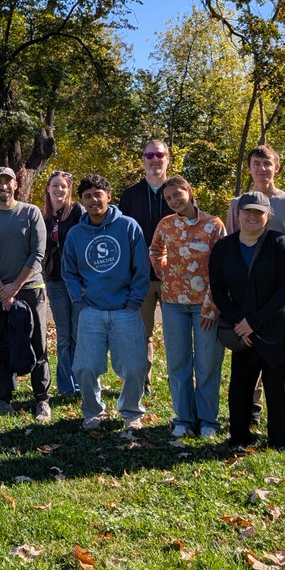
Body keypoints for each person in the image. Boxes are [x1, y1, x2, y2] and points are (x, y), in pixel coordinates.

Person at [209, 191, 285, 451]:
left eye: (259, 212)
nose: (252, 216)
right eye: (248, 211)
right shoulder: (224, 248)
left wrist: (253, 322)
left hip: (282, 323)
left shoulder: (281, 243)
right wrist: (239, 324)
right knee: (240, 383)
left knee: (278, 382)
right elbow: (219, 291)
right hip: (243, 325)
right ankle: (239, 437)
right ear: (238, 214)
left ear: (268, 216)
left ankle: (278, 439)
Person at [226, 144, 285, 432]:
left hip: (283, 293)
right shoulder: (238, 203)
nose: (262, 169)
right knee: (251, 349)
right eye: (256, 164)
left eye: (267, 164)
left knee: (284, 352)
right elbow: (232, 246)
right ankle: (253, 407)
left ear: (277, 167)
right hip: (249, 293)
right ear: (249, 168)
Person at [61, 174, 150, 432]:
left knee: (135, 367)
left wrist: (133, 302)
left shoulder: (128, 226)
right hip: (91, 311)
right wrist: (79, 300)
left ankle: (131, 412)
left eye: (98, 194)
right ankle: (93, 411)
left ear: (108, 197)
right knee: (85, 367)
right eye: (87, 196)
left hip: (125, 310)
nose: (93, 200)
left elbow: (141, 268)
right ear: (81, 201)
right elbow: (69, 271)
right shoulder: (76, 234)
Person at [149, 176, 226, 438]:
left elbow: (222, 266)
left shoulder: (213, 224)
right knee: (178, 363)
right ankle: (183, 418)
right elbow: (155, 250)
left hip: (205, 306)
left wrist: (212, 304)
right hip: (173, 304)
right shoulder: (166, 224)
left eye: (177, 194)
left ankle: (208, 421)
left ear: (189, 192)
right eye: (168, 198)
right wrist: (162, 270)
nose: (173, 201)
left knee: (207, 364)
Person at [0, 167, 52, 421]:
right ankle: (4, 398)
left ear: (16, 185)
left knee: (37, 344)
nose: (3, 186)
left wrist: (14, 287)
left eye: (8, 181)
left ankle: (42, 399)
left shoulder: (31, 213)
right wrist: (2, 290)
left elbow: (37, 254)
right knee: (1, 344)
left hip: (30, 289)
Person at [118, 139, 171, 386]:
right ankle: (142, 382)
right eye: (149, 155)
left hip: (173, 276)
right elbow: (122, 238)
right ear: (143, 160)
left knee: (176, 334)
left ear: (167, 158)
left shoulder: (179, 191)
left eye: (159, 155)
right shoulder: (130, 195)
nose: (154, 160)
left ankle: (178, 381)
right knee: (142, 334)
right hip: (141, 276)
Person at [42, 170, 82, 398]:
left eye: (63, 186)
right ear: (48, 189)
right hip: (55, 281)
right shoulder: (44, 217)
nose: (59, 189)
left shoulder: (77, 212)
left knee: (78, 333)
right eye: (55, 185)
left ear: (69, 190)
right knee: (64, 335)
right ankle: (66, 385)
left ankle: (80, 382)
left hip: (77, 281)